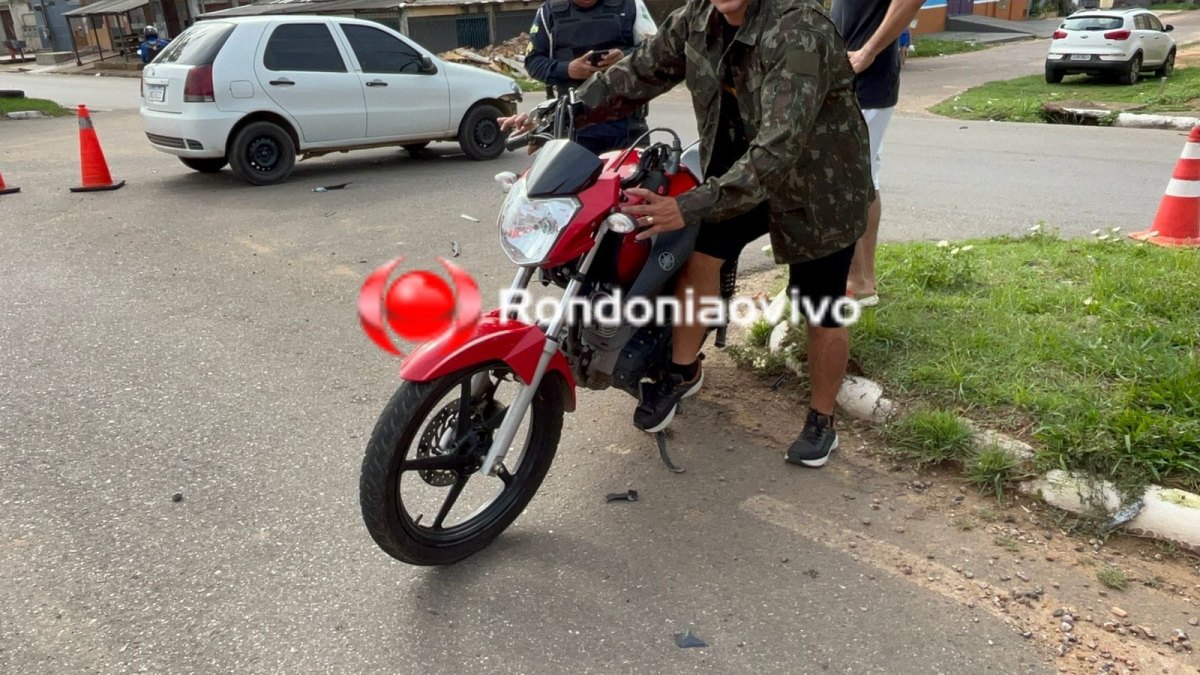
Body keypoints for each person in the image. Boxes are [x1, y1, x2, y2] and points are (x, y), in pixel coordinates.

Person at [502, 0, 874, 468]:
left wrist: (685, 206)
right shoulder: (698, 17)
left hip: (819, 185)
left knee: (821, 306)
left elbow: (778, 149)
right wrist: (560, 111)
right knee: (699, 256)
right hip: (737, 174)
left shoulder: (799, 29)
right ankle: (682, 371)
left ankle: (822, 420)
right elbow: (636, 71)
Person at [832, 0, 924, 307]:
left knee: (850, 181)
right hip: (849, 78)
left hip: (865, 81)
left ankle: (858, 281)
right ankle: (858, 279)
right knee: (859, 179)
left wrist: (869, 51)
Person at [523, 0, 658, 154]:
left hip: (627, 123)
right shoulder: (549, 11)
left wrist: (624, 57)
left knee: (634, 169)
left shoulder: (631, 4)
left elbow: (656, 50)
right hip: (573, 124)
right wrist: (568, 69)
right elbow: (533, 62)